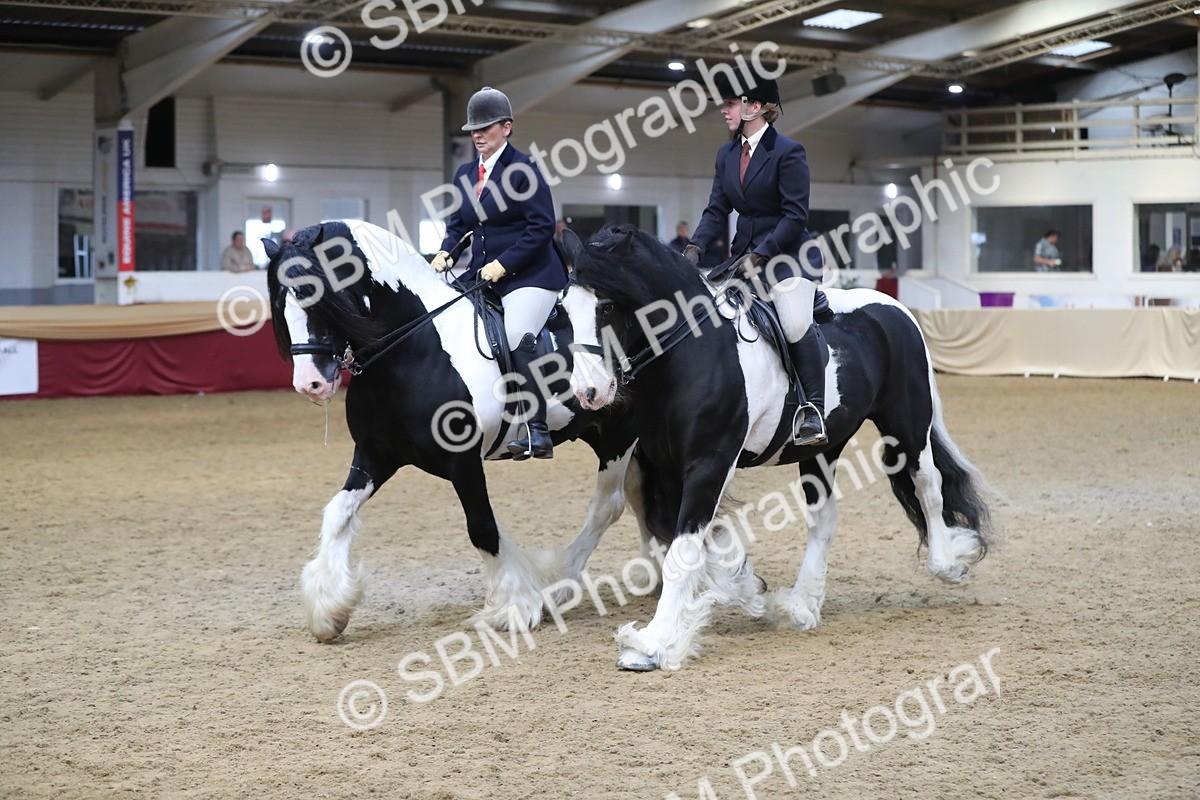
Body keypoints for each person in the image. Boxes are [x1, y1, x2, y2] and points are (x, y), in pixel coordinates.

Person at [685, 75, 827, 446]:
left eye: (731, 102)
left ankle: (812, 408)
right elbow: (717, 209)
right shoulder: (727, 153)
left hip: (788, 258)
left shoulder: (788, 152)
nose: (724, 109)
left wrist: (762, 253)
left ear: (758, 106)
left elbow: (795, 216)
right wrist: (694, 248)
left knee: (794, 321)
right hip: (742, 258)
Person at [430, 86, 568, 460]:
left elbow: (540, 228)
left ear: (506, 128)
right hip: (482, 273)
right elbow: (459, 225)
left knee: (514, 336)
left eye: (486, 127)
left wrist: (505, 264)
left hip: (532, 274)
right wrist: (446, 251)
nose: (477, 134)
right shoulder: (464, 174)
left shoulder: (524, 169)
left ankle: (537, 429)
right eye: (474, 129)